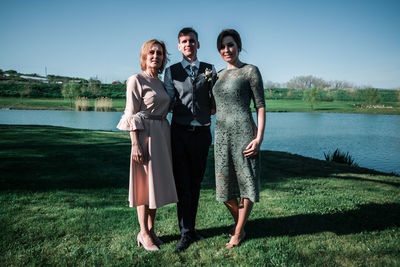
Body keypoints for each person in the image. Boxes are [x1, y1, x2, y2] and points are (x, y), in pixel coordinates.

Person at [117, 39, 178, 251]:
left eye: (159, 53)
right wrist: (135, 144)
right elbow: (130, 113)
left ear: (163, 58)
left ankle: (151, 230)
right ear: (144, 56)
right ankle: (143, 232)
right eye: (151, 53)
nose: (155, 56)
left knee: (156, 185)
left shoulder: (161, 83)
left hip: (162, 135)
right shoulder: (136, 79)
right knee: (144, 186)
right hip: (144, 136)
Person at [164, 27, 216, 252]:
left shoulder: (210, 70)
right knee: (182, 183)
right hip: (180, 133)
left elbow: (215, 97)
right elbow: (168, 100)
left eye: (192, 41)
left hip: (203, 134)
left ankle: (191, 229)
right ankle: (185, 233)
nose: (188, 44)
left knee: (196, 183)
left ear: (198, 44)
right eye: (184, 42)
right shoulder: (171, 71)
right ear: (179, 46)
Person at [212, 29, 266, 248]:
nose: (227, 50)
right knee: (224, 189)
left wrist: (259, 138)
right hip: (221, 135)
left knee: (246, 183)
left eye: (231, 45)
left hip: (244, 133)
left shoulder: (250, 71)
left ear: (239, 46)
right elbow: (213, 107)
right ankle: (240, 226)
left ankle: (237, 232)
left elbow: (260, 106)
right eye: (223, 46)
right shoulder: (216, 76)